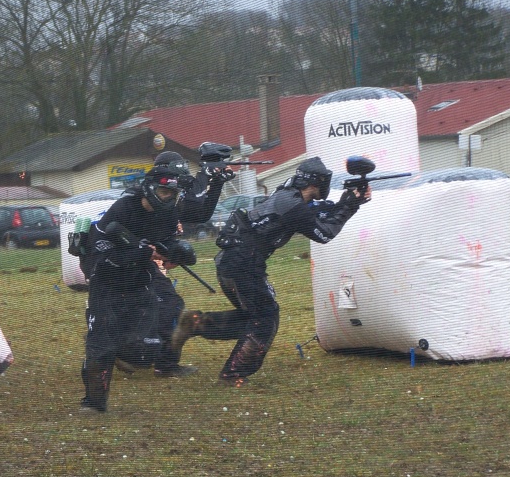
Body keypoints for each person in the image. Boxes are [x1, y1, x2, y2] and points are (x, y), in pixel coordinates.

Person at [170, 156, 370, 387]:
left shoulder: (288, 195)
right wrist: (350, 205)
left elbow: (316, 213)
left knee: (253, 317)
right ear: (316, 183)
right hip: (243, 266)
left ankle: (195, 323)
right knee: (265, 319)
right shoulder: (292, 204)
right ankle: (232, 374)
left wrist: (345, 203)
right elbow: (323, 233)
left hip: (233, 263)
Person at [79, 150, 232, 412]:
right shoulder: (125, 208)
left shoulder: (170, 211)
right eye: (166, 194)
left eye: (174, 195)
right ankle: (94, 403)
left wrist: (173, 251)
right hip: (106, 276)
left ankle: (150, 359)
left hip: (140, 274)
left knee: (143, 353)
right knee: (102, 345)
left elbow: (190, 221)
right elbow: (101, 254)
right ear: (151, 188)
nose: (170, 199)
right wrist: (142, 251)